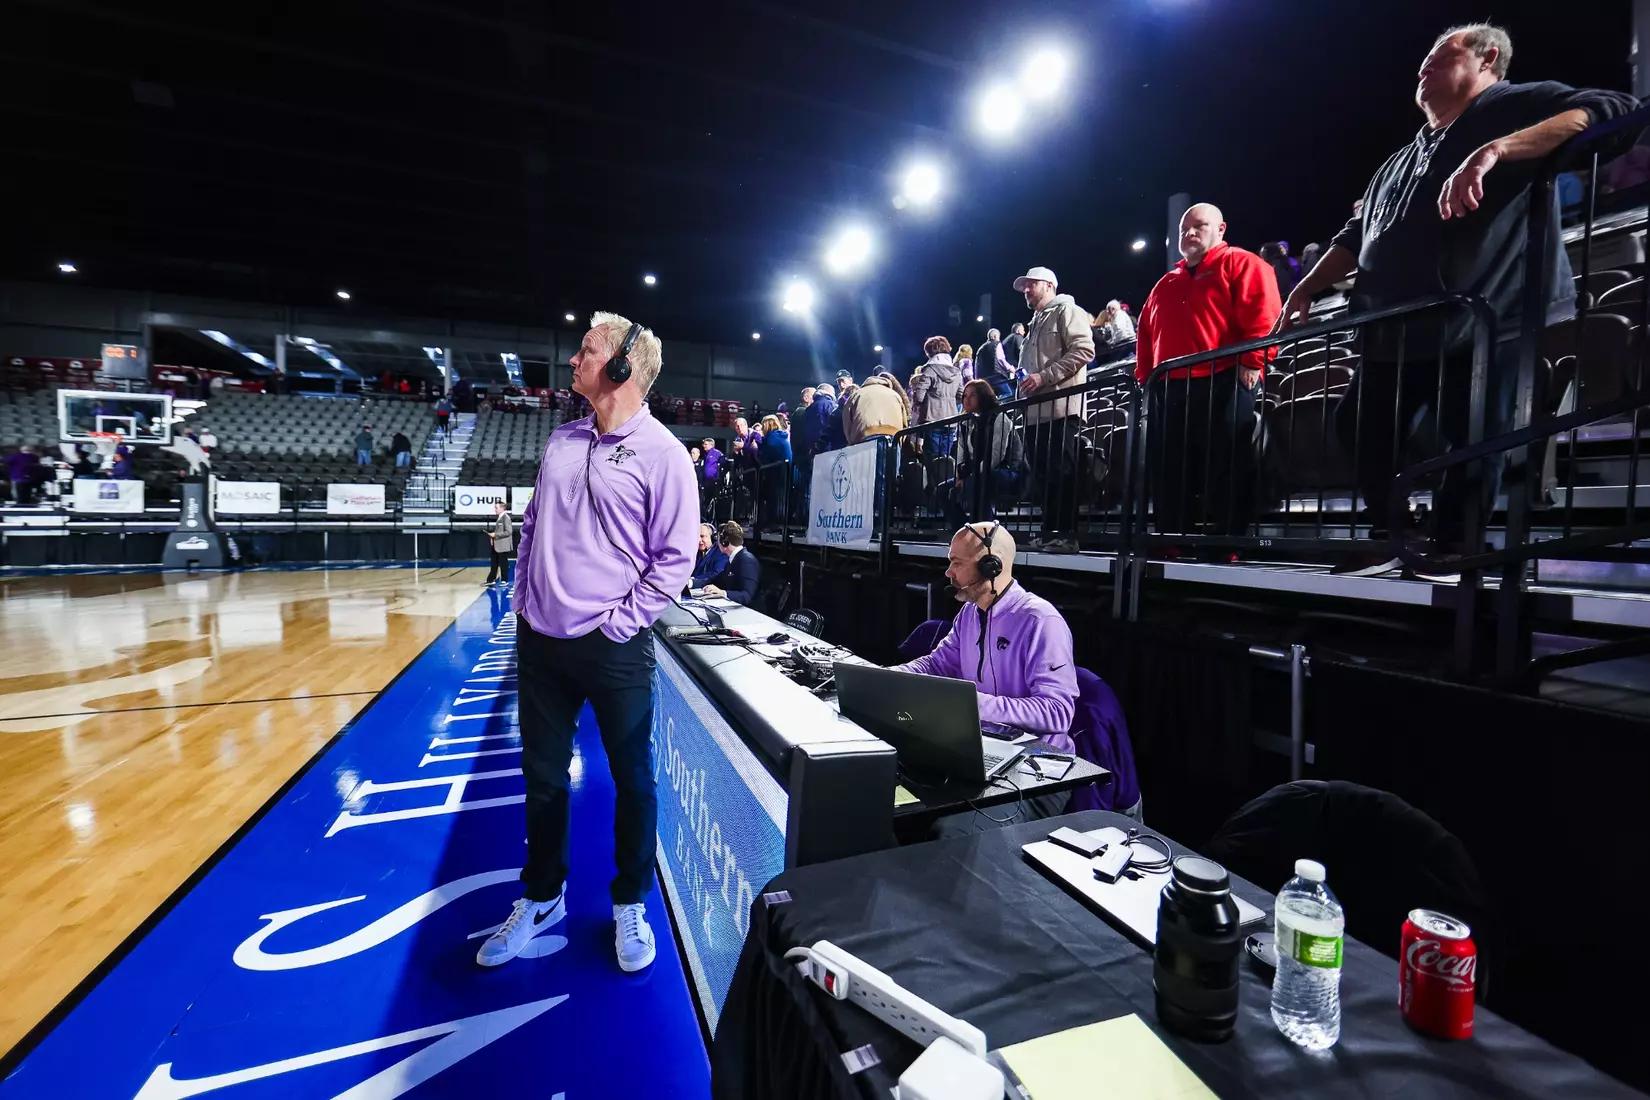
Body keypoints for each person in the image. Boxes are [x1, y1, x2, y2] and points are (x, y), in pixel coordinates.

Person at [1276, 22, 1639, 572]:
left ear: (1486, 58)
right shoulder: (1401, 157)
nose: (1423, 66)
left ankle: (1454, 542)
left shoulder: (1513, 103)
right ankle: (1394, 531)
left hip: (1487, 312)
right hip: (1398, 323)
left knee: (1473, 436)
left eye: (1440, 56)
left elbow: (1613, 106)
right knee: (1359, 425)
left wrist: (1498, 149)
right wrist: (1305, 285)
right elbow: (1356, 236)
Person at [477, 311, 696, 973]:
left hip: (614, 647)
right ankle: (541, 897)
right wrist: (523, 602)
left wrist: (621, 623)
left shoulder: (662, 454)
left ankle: (630, 902)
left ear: (625, 367)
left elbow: (676, 556)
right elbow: (536, 526)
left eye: (587, 350)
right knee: (543, 782)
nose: (575, 360)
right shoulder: (561, 443)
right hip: (541, 643)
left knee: (634, 782)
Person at [893, 523, 1078, 830]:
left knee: (951, 830)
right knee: (901, 802)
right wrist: (891, 678)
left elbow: (1058, 713)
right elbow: (937, 664)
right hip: (983, 754)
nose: (948, 573)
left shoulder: (1041, 621)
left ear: (991, 566)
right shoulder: (968, 613)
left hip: (1037, 772)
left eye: (957, 563)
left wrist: (973, 705)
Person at [1135, 203, 1280, 539]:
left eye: (1199, 226)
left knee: (1227, 463)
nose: (1189, 233)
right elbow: (1145, 332)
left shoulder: (1242, 263)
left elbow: (1264, 314)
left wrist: (1252, 360)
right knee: (1170, 468)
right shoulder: (1165, 282)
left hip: (1225, 377)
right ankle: (1171, 538)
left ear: (1221, 229)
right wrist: (1146, 378)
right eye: (1184, 228)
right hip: (1170, 387)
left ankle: (1226, 539)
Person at [1013, 266, 1096, 552]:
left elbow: (1085, 350)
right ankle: (1050, 533)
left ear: (1049, 285)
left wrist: (1044, 377)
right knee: (1043, 476)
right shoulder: (1034, 323)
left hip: (1061, 409)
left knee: (1062, 473)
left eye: (1031, 284)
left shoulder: (1067, 311)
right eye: (1024, 286)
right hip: (1035, 413)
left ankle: (1067, 535)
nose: (1026, 290)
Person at [949, 380, 1025, 529]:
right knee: (942, 491)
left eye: (973, 395)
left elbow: (996, 456)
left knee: (977, 482)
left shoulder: (999, 417)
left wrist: (970, 478)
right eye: (965, 395)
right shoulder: (966, 423)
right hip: (978, 473)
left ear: (984, 396)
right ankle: (965, 532)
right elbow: (961, 453)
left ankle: (985, 532)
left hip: (1007, 472)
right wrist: (959, 476)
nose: (967, 399)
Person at [910, 336, 963, 454]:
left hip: (932, 419)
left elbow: (919, 396)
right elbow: (961, 395)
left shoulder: (929, 370)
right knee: (945, 460)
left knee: (933, 460)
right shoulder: (956, 372)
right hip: (951, 420)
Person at [700, 521, 760, 606]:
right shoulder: (732, 560)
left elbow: (747, 596)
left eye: (718, 540)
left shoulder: (747, 561)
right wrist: (690, 583)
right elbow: (714, 580)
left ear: (724, 541)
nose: (717, 543)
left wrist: (722, 593)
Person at [843, 372, 909, 445]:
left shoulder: (856, 395)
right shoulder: (895, 395)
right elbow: (904, 423)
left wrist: (852, 442)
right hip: (893, 437)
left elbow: (847, 422)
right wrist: (900, 441)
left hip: (864, 437)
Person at [976, 328, 1016, 402]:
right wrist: (1011, 369)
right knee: (1009, 393)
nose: (999, 339)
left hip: (984, 379)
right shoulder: (996, 344)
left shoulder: (981, 348)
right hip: (996, 376)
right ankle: (997, 405)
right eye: (998, 336)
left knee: (990, 398)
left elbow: (977, 365)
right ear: (995, 336)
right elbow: (1001, 359)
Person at [484, 500, 514, 586]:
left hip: (503, 545)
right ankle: (491, 579)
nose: (495, 509)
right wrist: (492, 537)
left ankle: (505, 580)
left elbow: (509, 532)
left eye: (496, 508)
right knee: (494, 563)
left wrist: (495, 534)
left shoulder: (506, 518)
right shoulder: (500, 517)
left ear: (502, 508)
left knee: (503, 563)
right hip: (497, 545)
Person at [690, 522, 728, 588]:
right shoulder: (697, 553)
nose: (699, 540)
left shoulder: (721, 552)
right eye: (697, 537)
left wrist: (693, 580)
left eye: (702, 536)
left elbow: (716, 574)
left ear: (712, 538)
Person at [700, 436, 723, 516]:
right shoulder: (706, 455)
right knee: (706, 500)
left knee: (712, 501)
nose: (704, 446)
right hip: (706, 482)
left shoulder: (717, 453)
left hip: (713, 481)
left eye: (706, 444)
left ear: (711, 445)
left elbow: (724, 461)